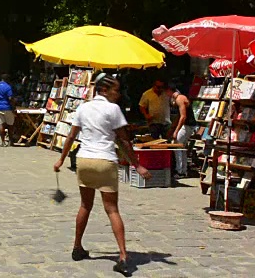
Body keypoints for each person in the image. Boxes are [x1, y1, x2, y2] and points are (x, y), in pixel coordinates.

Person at [53, 73, 151, 276]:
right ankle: (123, 256)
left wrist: (61, 160)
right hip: (105, 160)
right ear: (103, 90)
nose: (118, 94)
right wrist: (137, 166)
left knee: (85, 206)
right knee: (112, 209)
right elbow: (124, 140)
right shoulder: (113, 109)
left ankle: (77, 247)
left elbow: (71, 135)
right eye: (115, 90)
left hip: (84, 160)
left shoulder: (83, 107)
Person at [167, 85, 197, 179]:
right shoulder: (177, 99)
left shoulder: (180, 99)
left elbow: (183, 116)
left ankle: (180, 171)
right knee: (182, 147)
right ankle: (183, 170)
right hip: (187, 125)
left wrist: (176, 131)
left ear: (169, 91)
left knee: (177, 145)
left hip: (187, 125)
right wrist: (173, 128)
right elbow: (179, 116)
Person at [0, 73, 15, 147]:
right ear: (7, 80)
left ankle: (3, 142)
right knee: (10, 125)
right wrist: (13, 107)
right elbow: (10, 98)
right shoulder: (8, 87)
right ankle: (10, 141)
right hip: (7, 107)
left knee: (1, 124)